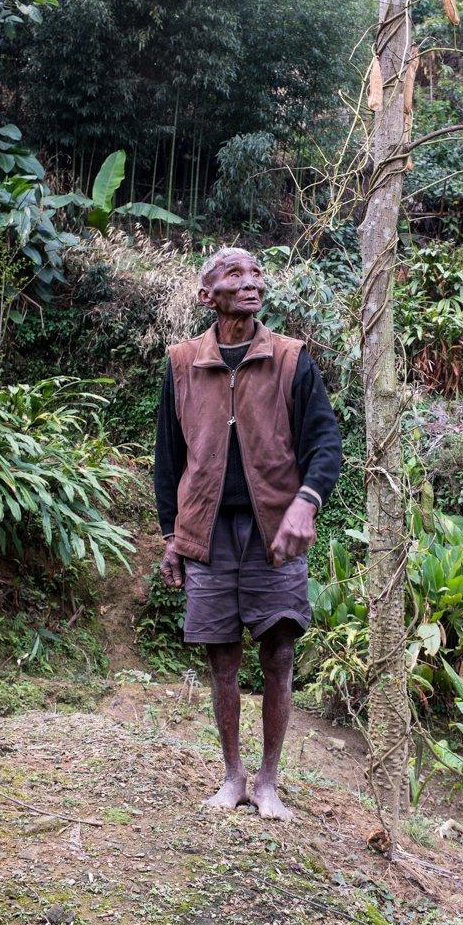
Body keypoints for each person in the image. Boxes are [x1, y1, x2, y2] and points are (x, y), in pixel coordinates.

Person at [154, 246, 341, 820]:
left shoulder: (290, 359)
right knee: (222, 657)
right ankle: (233, 776)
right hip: (207, 533)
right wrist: (170, 536)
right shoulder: (183, 363)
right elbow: (169, 459)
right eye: (234, 274)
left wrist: (306, 503)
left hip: (273, 534)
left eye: (257, 272)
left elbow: (325, 444)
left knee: (279, 651)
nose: (251, 282)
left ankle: (268, 782)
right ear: (207, 295)